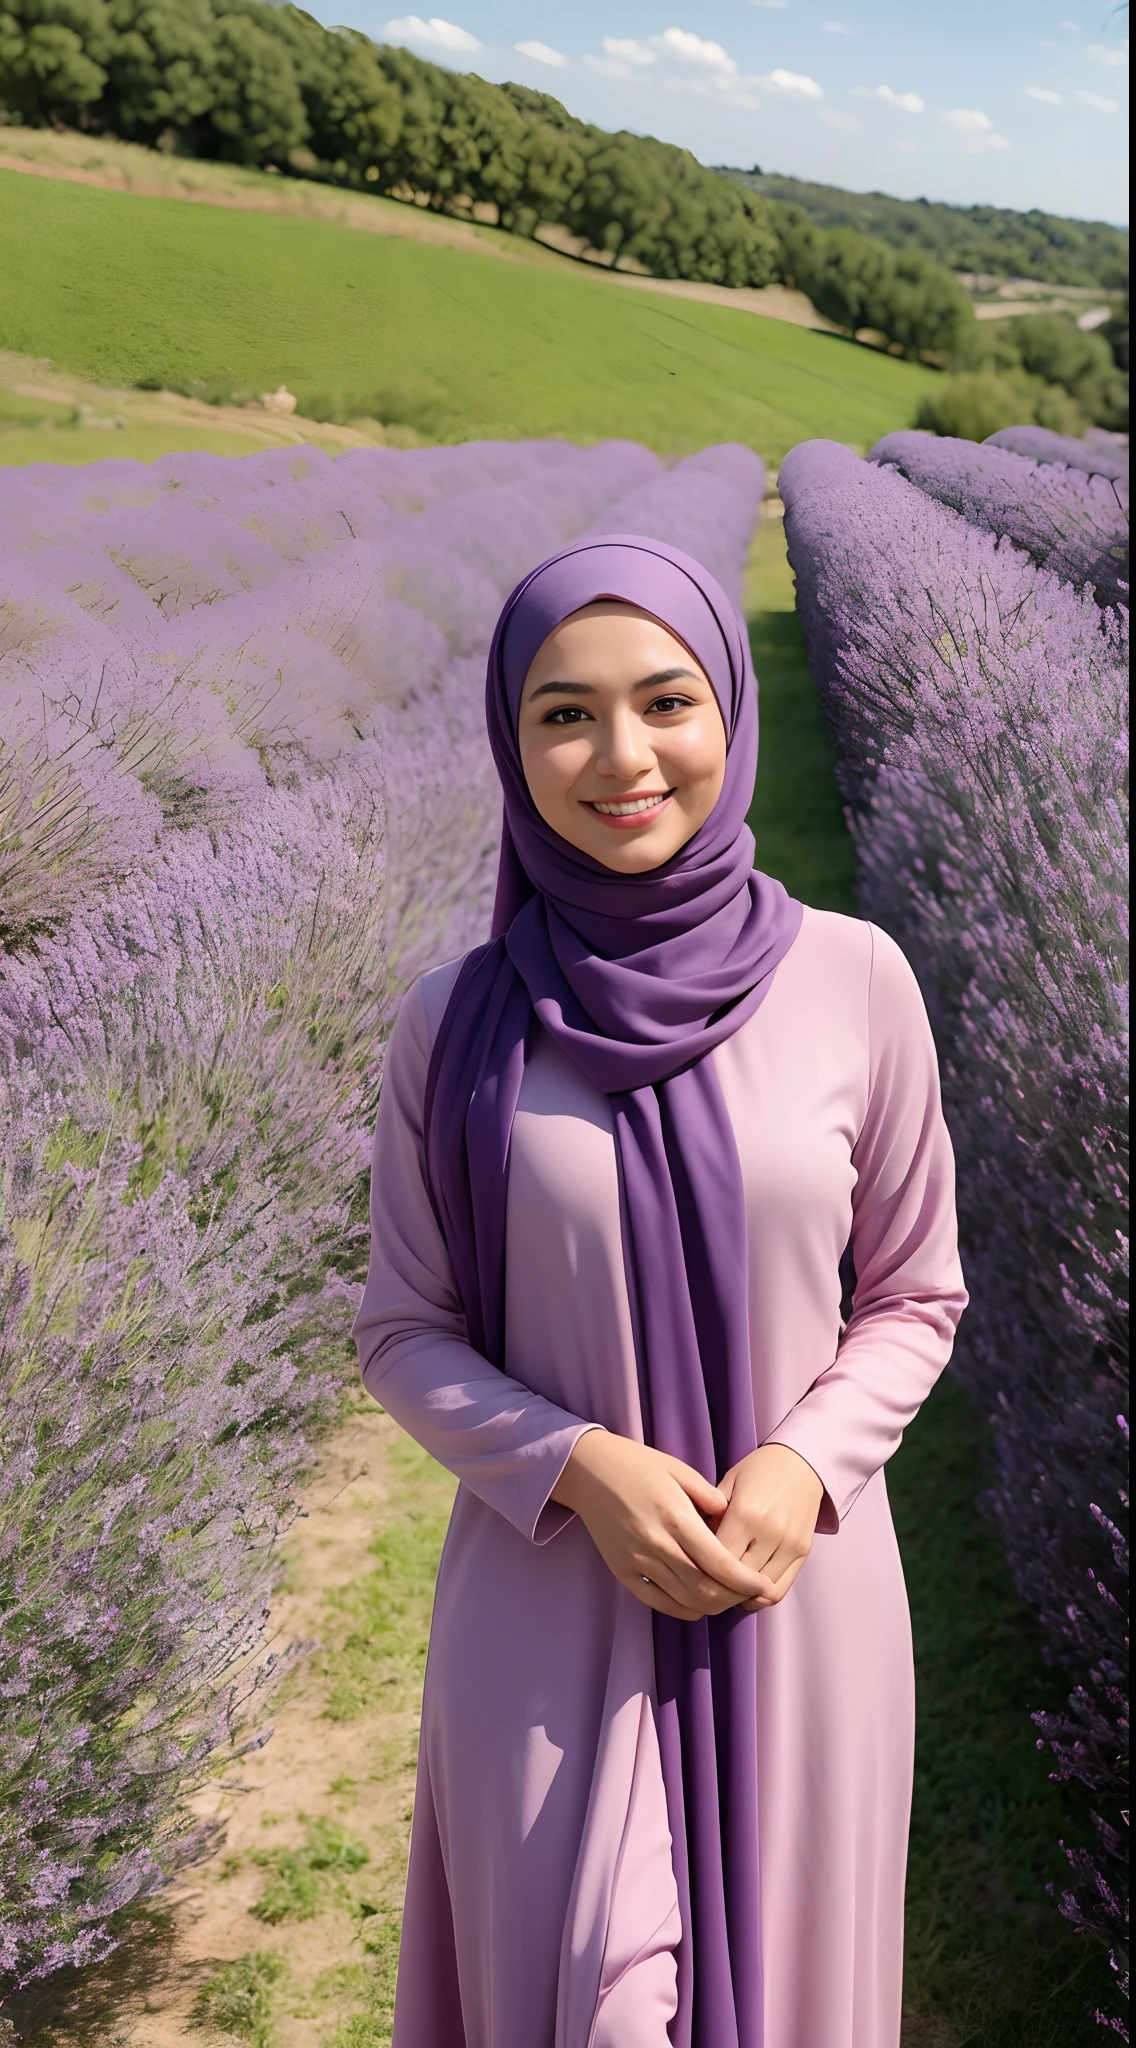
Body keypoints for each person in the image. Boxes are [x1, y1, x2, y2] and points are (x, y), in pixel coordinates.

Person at [352, 534, 967, 2048]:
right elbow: (403, 1330)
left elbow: (915, 1291)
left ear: (732, 715)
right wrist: (578, 1466)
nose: (620, 756)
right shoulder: (458, 1024)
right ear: (513, 742)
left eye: (666, 701)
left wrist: (799, 1464)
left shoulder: (857, 981)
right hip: (548, 1607)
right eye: (563, 713)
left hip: (794, 1597)